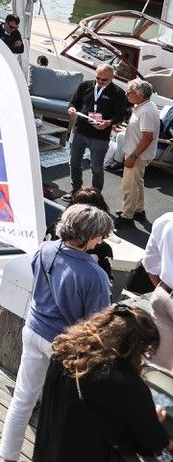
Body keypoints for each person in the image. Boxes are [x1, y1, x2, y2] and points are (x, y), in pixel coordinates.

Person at [0, 205, 114, 461]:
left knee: (23, 397)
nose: (103, 239)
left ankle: (8, 456)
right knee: (59, 410)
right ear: (88, 235)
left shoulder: (45, 250)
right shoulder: (94, 275)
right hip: (63, 345)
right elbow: (98, 324)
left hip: (34, 329)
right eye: (101, 235)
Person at [31, 305, 169, 462]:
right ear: (136, 348)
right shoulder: (128, 384)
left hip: (48, 453)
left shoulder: (63, 355)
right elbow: (152, 444)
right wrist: (155, 418)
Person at [66, 63, 127, 192]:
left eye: (104, 80)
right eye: (97, 78)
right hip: (80, 130)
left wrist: (109, 122)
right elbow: (74, 102)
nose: (100, 82)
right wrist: (71, 109)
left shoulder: (118, 93)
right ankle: (76, 190)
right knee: (74, 163)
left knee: (96, 167)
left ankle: (95, 195)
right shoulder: (85, 86)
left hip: (100, 136)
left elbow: (121, 115)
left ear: (112, 77)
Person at [117, 79, 158, 227]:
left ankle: (127, 216)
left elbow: (147, 137)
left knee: (129, 185)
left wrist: (133, 156)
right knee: (137, 182)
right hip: (137, 153)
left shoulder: (146, 111)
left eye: (130, 91)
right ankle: (138, 210)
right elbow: (141, 133)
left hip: (137, 155)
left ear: (140, 95)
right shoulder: (143, 106)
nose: (127, 93)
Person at [143, 213, 173, 368]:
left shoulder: (166, 220)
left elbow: (150, 263)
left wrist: (164, 289)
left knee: (158, 364)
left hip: (162, 294)